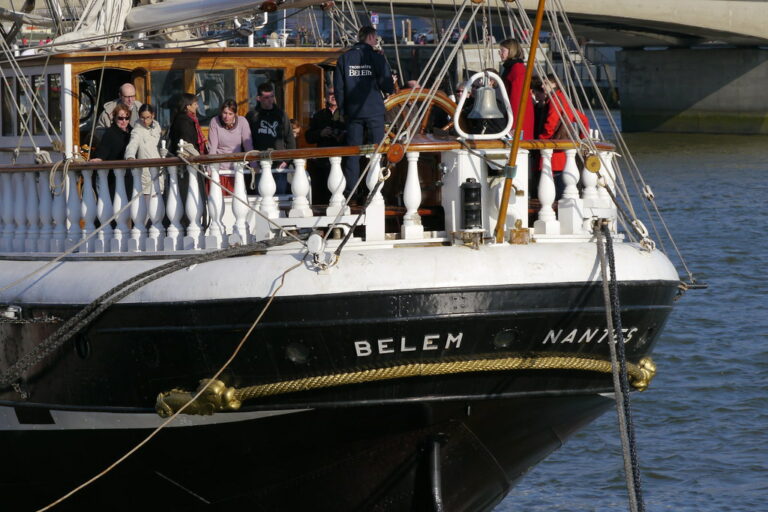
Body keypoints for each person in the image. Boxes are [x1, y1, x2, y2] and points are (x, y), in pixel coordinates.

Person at [333, 25, 394, 199]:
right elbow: (387, 86)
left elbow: (339, 89)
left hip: (353, 113)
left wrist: (345, 110)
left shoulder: (344, 58)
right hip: (374, 111)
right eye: (375, 39)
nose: (376, 42)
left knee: (353, 152)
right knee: (377, 150)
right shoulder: (376, 57)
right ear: (370, 38)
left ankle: (351, 191)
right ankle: (376, 189)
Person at [539, 74, 590, 199]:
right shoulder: (564, 99)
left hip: (555, 152)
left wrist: (542, 138)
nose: (542, 86)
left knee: (555, 192)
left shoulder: (555, 100)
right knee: (564, 191)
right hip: (565, 154)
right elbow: (583, 120)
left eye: (546, 83)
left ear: (554, 84)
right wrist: (584, 139)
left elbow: (551, 122)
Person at [246, 81, 296, 194]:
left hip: (279, 164)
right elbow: (246, 142)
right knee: (261, 196)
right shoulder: (252, 116)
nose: (270, 100)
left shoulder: (281, 115)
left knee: (280, 197)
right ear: (259, 98)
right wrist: (252, 162)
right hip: (259, 164)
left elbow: (290, 140)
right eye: (266, 97)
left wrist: (287, 161)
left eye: (272, 96)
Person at [305, 88, 346, 204]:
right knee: (323, 192)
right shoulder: (319, 115)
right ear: (326, 97)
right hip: (323, 161)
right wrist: (321, 133)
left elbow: (355, 135)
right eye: (331, 94)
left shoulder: (346, 113)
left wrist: (342, 135)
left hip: (343, 160)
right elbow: (309, 137)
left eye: (336, 93)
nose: (333, 96)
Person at [209, 99, 253, 194]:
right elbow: (213, 147)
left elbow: (248, 145)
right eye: (224, 113)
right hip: (219, 170)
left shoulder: (242, 122)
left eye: (230, 114)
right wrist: (210, 168)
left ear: (235, 114)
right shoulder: (214, 121)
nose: (226, 117)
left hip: (237, 170)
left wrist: (254, 165)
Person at [90, 103, 133, 200]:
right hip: (114, 178)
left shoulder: (133, 132)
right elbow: (103, 149)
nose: (124, 121)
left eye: (127, 118)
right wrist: (99, 158)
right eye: (120, 118)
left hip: (130, 177)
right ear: (114, 117)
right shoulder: (110, 134)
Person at [499, 39, 534, 140]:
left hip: (519, 118)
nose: (500, 54)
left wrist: (513, 125)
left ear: (511, 51)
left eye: (502, 51)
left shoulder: (517, 69)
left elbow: (517, 99)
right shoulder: (511, 68)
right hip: (513, 114)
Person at [125, 104, 163, 197]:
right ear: (139, 116)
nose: (145, 121)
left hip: (159, 171)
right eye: (142, 118)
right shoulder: (137, 131)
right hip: (146, 175)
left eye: (148, 117)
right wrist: (130, 156)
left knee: (159, 207)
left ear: (153, 116)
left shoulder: (157, 127)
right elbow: (132, 144)